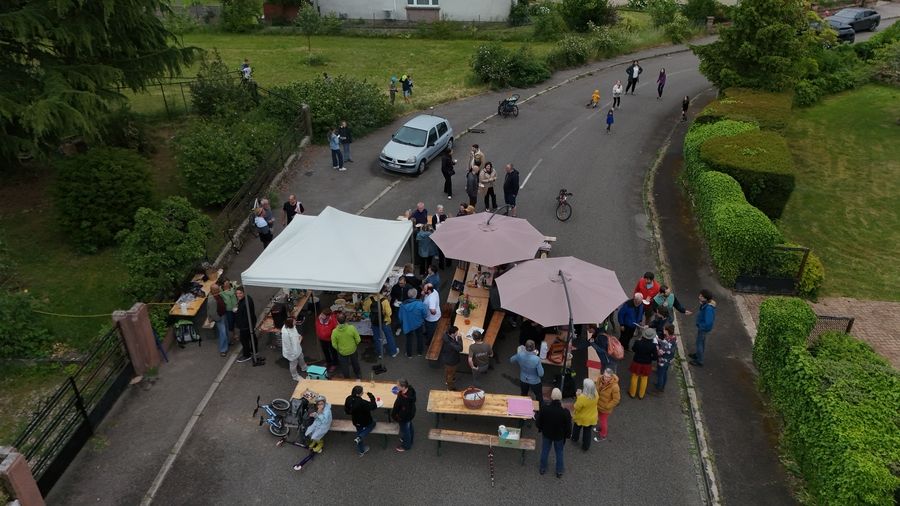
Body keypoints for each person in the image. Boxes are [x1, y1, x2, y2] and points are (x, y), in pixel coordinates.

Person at [537, 388, 571, 478]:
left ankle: (542, 468)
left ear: (551, 397)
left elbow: (539, 421)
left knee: (545, 450)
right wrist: (567, 435)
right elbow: (568, 426)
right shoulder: (565, 412)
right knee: (559, 452)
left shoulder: (545, 408)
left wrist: (540, 428)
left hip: (547, 434)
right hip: (559, 436)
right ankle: (559, 471)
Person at [292, 395, 332, 470]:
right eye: (318, 404)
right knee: (309, 431)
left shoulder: (327, 411)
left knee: (316, 435)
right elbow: (318, 417)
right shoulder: (320, 409)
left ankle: (320, 443)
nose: (320, 405)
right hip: (318, 422)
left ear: (324, 403)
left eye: (321, 404)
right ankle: (314, 441)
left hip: (324, 425)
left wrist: (317, 415)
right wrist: (314, 415)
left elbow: (325, 420)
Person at [363, 288, 399, 359]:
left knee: (377, 337)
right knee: (389, 336)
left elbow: (365, 311)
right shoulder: (385, 300)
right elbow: (389, 313)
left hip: (374, 321)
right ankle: (393, 352)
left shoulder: (369, 300)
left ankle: (380, 353)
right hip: (385, 321)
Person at [345, 386, 377, 457]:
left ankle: (361, 450)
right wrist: (371, 397)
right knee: (374, 423)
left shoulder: (348, 398)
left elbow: (347, 411)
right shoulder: (362, 403)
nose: (362, 393)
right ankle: (360, 437)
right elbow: (373, 406)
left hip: (356, 421)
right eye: (362, 392)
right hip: (365, 421)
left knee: (359, 432)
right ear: (358, 394)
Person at [629, 328, 659, 400]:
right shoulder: (653, 346)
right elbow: (655, 357)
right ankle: (641, 395)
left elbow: (633, 349)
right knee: (644, 378)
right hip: (647, 364)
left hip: (637, 362)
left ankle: (632, 393)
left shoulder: (638, 342)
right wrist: (650, 358)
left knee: (635, 377)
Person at [689, 289, 716, 367]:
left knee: (699, 343)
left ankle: (699, 361)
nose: (699, 297)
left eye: (701, 296)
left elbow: (708, 322)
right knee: (701, 342)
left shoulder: (708, 308)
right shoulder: (706, 304)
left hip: (703, 329)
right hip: (702, 328)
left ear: (705, 298)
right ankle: (698, 355)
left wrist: (701, 326)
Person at [398, 288, 428, 357]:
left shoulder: (403, 305)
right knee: (419, 337)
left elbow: (400, 317)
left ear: (408, 295)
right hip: (418, 324)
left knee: (409, 339)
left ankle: (409, 354)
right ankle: (420, 352)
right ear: (416, 295)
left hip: (408, 325)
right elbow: (425, 314)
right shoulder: (420, 304)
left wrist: (403, 322)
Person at [331, 312, 361, 379]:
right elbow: (358, 339)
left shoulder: (334, 332)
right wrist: (354, 345)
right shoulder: (351, 328)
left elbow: (334, 344)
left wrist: (339, 349)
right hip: (352, 350)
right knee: (355, 363)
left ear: (337, 321)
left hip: (342, 352)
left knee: (344, 366)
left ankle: (347, 378)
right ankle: (358, 374)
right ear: (346, 320)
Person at [571, 378, 599, 451]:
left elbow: (576, 407)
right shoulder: (596, 394)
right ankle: (585, 446)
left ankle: (574, 438)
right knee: (587, 432)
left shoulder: (582, 398)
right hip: (592, 416)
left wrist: (578, 396)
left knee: (577, 427)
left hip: (582, 417)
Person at [594, 368, 620, 441]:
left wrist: (607, 406)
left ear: (611, 377)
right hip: (598, 404)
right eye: (605, 376)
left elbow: (616, 400)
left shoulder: (615, 386)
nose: (605, 378)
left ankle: (603, 435)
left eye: (608, 377)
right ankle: (600, 428)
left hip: (605, 408)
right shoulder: (600, 378)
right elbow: (596, 387)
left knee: (603, 421)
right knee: (600, 418)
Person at [391, 378, 417, 452]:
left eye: (398, 386)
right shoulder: (410, 390)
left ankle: (406, 446)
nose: (397, 387)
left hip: (404, 417)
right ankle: (410, 440)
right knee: (409, 426)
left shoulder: (404, 399)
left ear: (403, 387)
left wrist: (397, 417)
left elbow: (403, 411)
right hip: (410, 414)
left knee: (405, 430)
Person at [234, 288, 259, 363]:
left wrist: (237, 311)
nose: (238, 295)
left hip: (245, 325)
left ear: (244, 293)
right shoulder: (248, 298)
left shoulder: (245, 303)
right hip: (250, 323)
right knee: (252, 336)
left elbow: (245, 315)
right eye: (237, 293)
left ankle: (246, 355)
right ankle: (254, 350)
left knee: (244, 339)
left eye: (240, 293)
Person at [206, 285, 229, 357]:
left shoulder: (218, 295)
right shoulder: (211, 300)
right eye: (216, 289)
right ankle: (223, 350)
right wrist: (218, 319)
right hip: (219, 317)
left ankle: (227, 343)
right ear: (212, 291)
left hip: (223, 315)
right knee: (223, 333)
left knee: (226, 330)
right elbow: (213, 313)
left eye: (218, 289)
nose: (219, 290)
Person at [440, 326, 463, 390]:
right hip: (451, 361)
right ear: (452, 334)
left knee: (447, 371)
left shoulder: (446, 335)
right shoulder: (450, 343)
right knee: (450, 374)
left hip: (446, 358)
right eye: (456, 332)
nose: (457, 333)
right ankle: (450, 387)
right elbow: (460, 349)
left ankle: (447, 381)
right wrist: (459, 338)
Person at [655, 324, 677, 392]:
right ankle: (662, 386)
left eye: (664, 329)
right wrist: (659, 340)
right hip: (669, 360)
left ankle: (659, 388)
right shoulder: (673, 338)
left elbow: (659, 353)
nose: (663, 330)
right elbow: (666, 344)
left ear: (667, 331)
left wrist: (656, 345)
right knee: (664, 373)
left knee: (660, 374)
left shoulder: (666, 341)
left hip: (663, 360)